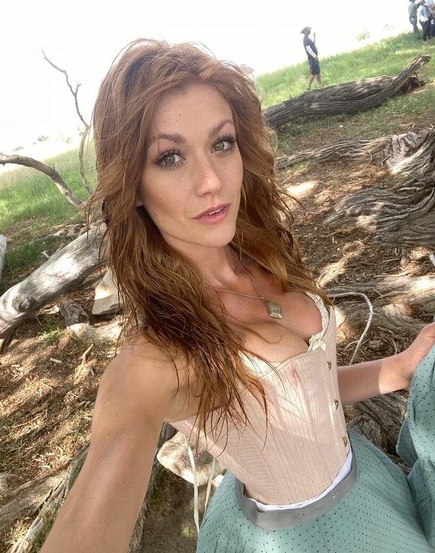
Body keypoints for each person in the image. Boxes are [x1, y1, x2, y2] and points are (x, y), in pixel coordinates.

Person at [39, 38, 435, 553]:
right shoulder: (158, 356)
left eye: (221, 143)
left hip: (370, 484)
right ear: (132, 184)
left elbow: (300, 392)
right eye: (169, 157)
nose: (211, 181)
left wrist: (399, 369)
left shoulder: (259, 255)